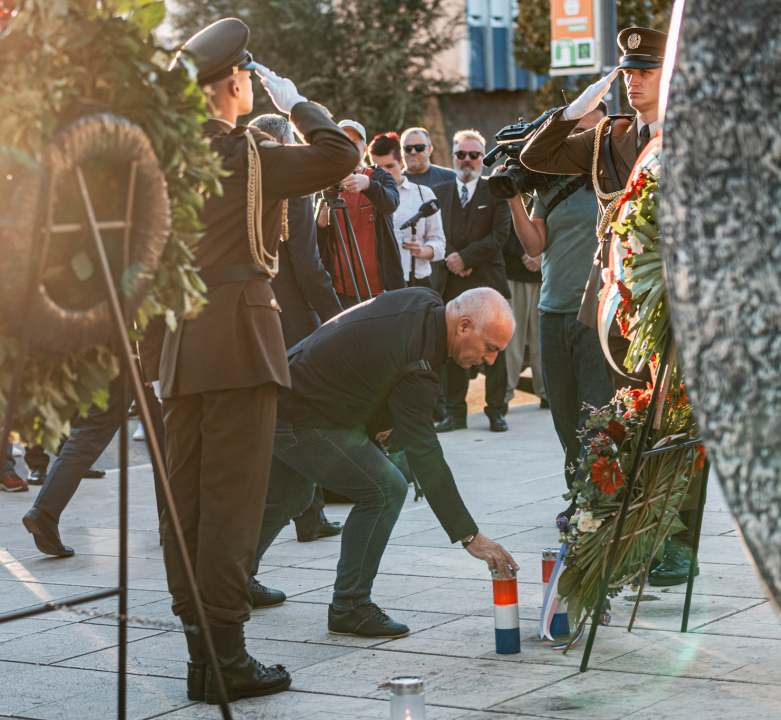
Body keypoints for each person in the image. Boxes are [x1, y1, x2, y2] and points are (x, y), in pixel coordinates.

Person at [162, 17, 360, 704]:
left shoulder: (175, 159)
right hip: (241, 340)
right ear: (235, 84)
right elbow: (339, 154)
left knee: (184, 504)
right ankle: (230, 660)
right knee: (231, 505)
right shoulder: (251, 156)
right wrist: (296, 102)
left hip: (181, 343)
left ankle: (201, 657)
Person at [520, 28, 695, 586]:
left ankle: (677, 548)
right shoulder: (609, 137)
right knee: (624, 418)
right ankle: (633, 532)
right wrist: (579, 107)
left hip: (672, 303)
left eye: (646, 72)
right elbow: (537, 156)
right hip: (614, 304)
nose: (634, 82)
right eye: (628, 73)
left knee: (676, 422)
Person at [251, 287, 519, 638]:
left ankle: (228, 580)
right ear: (464, 325)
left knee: (292, 495)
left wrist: (377, 420)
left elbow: (372, 359)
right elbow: (425, 454)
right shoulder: (418, 363)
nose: (491, 361)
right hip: (300, 412)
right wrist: (469, 535)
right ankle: (350, 606)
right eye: (490, 348)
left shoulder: (424, 302)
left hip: (289, 390)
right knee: (385, 488)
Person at [508, 105, 613, 520]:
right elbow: (534, 245)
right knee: (565, 411)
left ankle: (596, 498)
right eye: (575, 130)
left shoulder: (614, 181)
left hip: (596, 313)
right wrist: (513, 196)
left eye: (590, 129)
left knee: (595, 410)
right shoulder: (550, 185)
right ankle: (578, 492)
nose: (580, 139)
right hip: (552, 310)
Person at [247, 113, 344, 553]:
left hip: (251, 315)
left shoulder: (245, 185)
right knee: (303, 417)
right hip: (294, 320)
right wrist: (339, 318)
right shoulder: (294, 190)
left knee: (274, 417)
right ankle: (306, 511)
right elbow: (308, 266)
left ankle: (311, 512)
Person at [21, 321, 167, 557]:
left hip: (110, 347)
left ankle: (44, 511)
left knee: (87, 433)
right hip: (142, 347)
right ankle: (171, 526)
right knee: (164, 443)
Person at [430, 130, 512, 433]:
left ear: (482, 159)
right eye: (461, 155)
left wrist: (466, 258)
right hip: (452, 284)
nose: (467, 160)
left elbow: (500, 235)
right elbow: (435, 232)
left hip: (488, 281)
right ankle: (455, 413)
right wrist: (453, 258)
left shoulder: (496, 190)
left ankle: (496, 411)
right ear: (453, 157)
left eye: (474, 155)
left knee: (496, 350)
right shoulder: (438, 192)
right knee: (453, 347)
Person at [316, 119, 401, 306]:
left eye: (354, 142)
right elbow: (314, 243)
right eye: (342, 141)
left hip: (381, 289)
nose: (348, 146)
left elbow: (391, 204)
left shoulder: (379, 177)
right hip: (340, 291)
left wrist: (368, 185)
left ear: (364, 148)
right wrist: (320, 224)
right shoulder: (323, 183)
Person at [369, 132, 445, 289]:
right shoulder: (365, 198)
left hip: (416, 279)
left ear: (401, 162)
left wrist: (423, 251)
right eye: (379, 169)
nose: (384, 174)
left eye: (390, 166)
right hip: (379, 283)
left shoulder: (424, 194)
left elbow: (439, 241)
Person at [501, 220, 546, 407]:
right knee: (510, 339)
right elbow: (503, 231)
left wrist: (543, 256)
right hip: (514, 274)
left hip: (545, 277)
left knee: (543, 339)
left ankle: (546, 393)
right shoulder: (508, 195)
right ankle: (504, 396)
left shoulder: (549, 192)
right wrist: (526, 254)